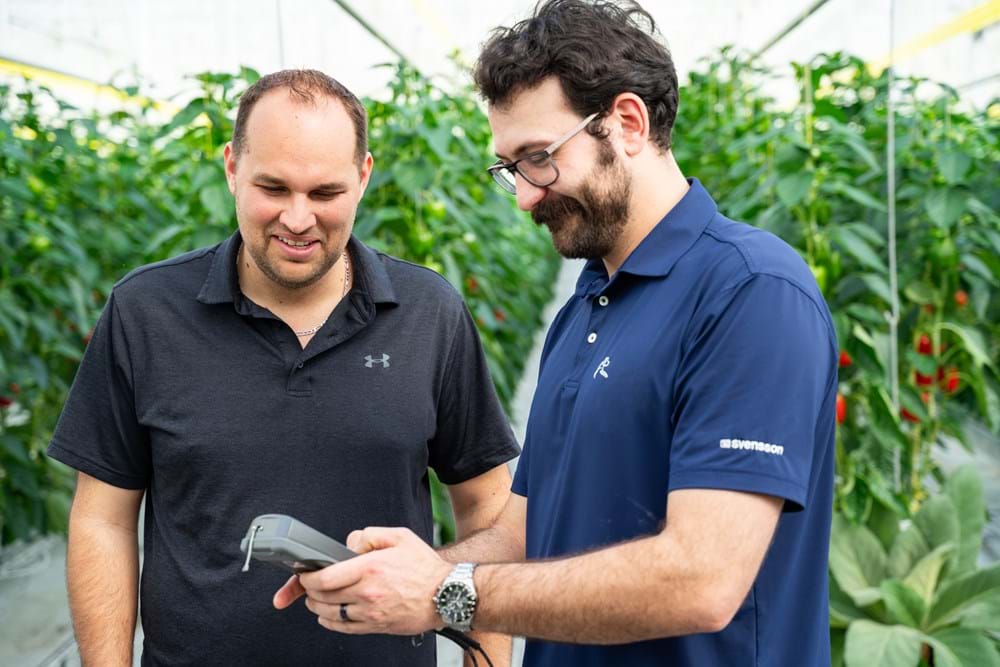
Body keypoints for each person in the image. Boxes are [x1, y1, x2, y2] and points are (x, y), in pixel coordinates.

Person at [273, 2, 838, 666]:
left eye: (538, 158)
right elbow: (529, 524)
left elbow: (702, 578)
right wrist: (414, 569)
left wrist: (449, 592)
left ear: (627, 122)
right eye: (510, 166)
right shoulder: (585, 306)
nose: (524, 196)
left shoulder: (750, 292)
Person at [47, 69, 519, 666]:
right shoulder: (146, 312)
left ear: (364, 176)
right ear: (231, 168)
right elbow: (104, 519)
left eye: (325, 193)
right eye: (273, 187)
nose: (298, 219)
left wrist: (488, 662)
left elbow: (484, 503)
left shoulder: (430, 313)